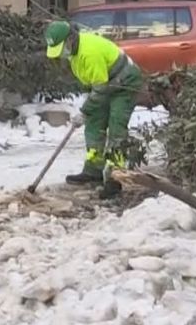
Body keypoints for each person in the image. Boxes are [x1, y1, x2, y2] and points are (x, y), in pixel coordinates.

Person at [44, 20, 142, 198]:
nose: (61, 55)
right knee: (94, 124)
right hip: (105, 84)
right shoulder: (75, 53)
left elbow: (100, 87)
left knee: (116, 127)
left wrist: (84, 111)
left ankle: (115, 178)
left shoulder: (89, 53)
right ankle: (94, 170)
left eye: (61, 49)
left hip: (124, 83)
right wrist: (88, 110)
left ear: (70, 39)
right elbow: (94, 85)